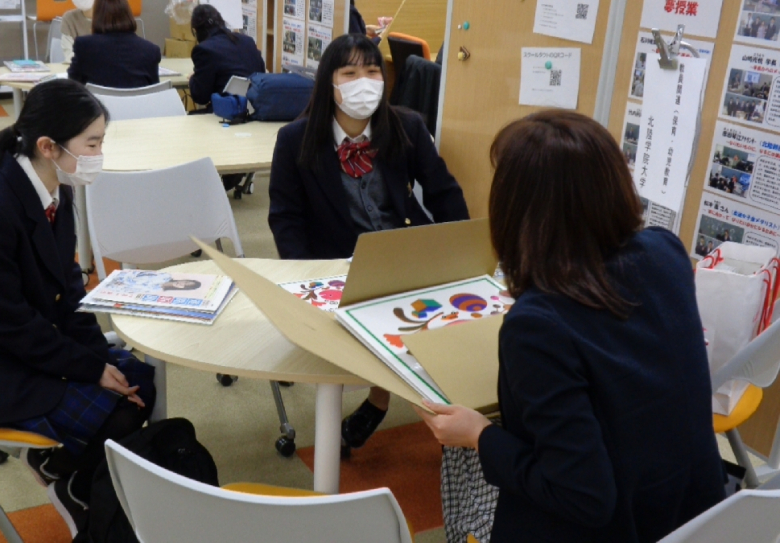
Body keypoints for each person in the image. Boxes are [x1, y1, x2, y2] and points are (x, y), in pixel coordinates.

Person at [417, 110, 725, 542]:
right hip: (699, 518)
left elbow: (584, 496)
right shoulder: (665, 252)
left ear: (518, 210)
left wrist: (479, 436)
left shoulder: (536, 326)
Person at [0, 79, 157, 538]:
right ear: (48, 147)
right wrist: (89, 368)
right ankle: (75, 485)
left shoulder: (55, 188)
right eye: (92, 144)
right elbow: (6, 324)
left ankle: (65, 471)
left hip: (28, 342)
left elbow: (69, 291)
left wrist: (98, 359)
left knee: (139, 380)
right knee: (119, 409)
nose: (99, 154)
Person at [268, 34, 470, 455]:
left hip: (405, 255)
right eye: (350, 72)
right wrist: (307, 280)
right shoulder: (295, 139)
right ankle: (396, 402)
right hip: (338, 267)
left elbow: (444, 192)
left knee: (447, 319)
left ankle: (424, 414)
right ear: (329, 82)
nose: (364, 81)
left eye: (373, 70)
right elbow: (286, 219)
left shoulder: (407, 126)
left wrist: (461, 255)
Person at [68, 0, 161, 89]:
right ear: (128, 15)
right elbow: (154, 90)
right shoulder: (151, 51)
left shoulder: (84, 46)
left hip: (97, 100)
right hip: (137, 101)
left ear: (97, 17)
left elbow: (73, 83)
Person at [187, 4, 265, 108]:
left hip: (226, 110)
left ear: (196, 31)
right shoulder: (248, 41)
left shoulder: (204, 50)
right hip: (256, 108)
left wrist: (192, 79)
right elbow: (261, 74)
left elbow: (201, 97)